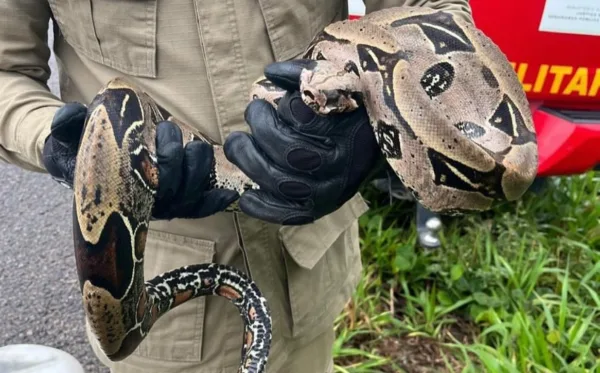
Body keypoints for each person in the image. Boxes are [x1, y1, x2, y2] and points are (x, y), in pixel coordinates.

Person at [0, 1, 473, 372]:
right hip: (157, 304)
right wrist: (65, 145)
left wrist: (370, 134)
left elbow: (433, 14)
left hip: (309, 261)